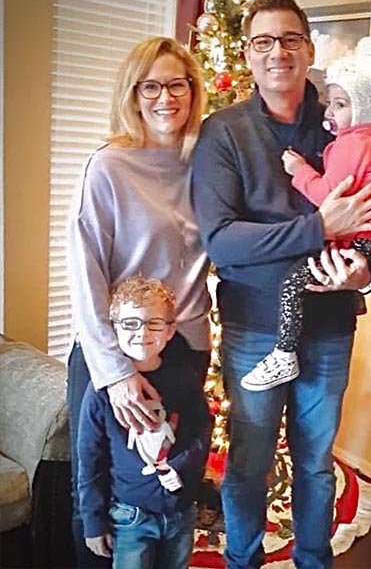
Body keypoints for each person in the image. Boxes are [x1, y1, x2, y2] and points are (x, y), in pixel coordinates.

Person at [191, 0, 371, 569]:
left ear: (308, 49)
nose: (276, 52)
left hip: (329, 325)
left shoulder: (343, 120)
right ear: (247, 54)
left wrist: (366, 270)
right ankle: (243, 561)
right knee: (249, 462)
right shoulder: (223, 132)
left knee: (315, 463)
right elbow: (221, 240)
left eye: (289, 39)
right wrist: (318, 227)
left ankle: (313, 560)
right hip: (254, 327)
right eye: (263, 41)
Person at [67, 36, 211, 568]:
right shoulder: (109, 166)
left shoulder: (206, 163)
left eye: (177, 84)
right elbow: (85, 274)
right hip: (116, 353)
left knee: (167, 485)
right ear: (132, 95)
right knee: (100, 494)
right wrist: (114, 371)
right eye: (150, 87)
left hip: (184, 347)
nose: (165, 98)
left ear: (193, 90)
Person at [241, 36, 371, 391]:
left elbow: (329, 197)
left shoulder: (353, 144)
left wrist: (299, 170)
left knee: (293, 284)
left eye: (341, 104)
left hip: (361, 242)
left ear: (363, 107)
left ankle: (284, 354)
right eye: (331, 102)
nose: (329, 111)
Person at [78, 276, 212, 568]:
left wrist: (180, 467)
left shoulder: (184, 377)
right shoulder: (101, 391)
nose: (142, 332)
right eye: (130, 323)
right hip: (130, 515)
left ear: (170, 330)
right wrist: (93, 522)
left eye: (154, 323)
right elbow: (89, 458)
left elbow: (202, 429)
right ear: (114, 328)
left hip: (180, 512)